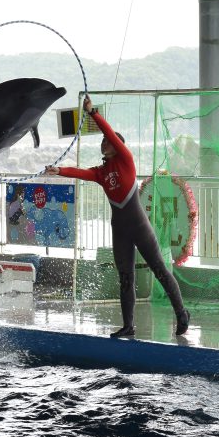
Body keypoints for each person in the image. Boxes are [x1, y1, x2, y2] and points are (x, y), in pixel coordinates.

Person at [45, 96, 190, 338]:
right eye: (102, 141)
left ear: (116, 145)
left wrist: (93, 114)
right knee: (125, 277)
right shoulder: (101, 172)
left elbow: (110, 133)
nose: (103, 143)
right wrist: (59, 170)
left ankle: (181, 313)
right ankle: (128, 326)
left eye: (106, 141)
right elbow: (81, 172)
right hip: (120, 230)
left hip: (139, 227)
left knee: (160, 270)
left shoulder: (126, 160)